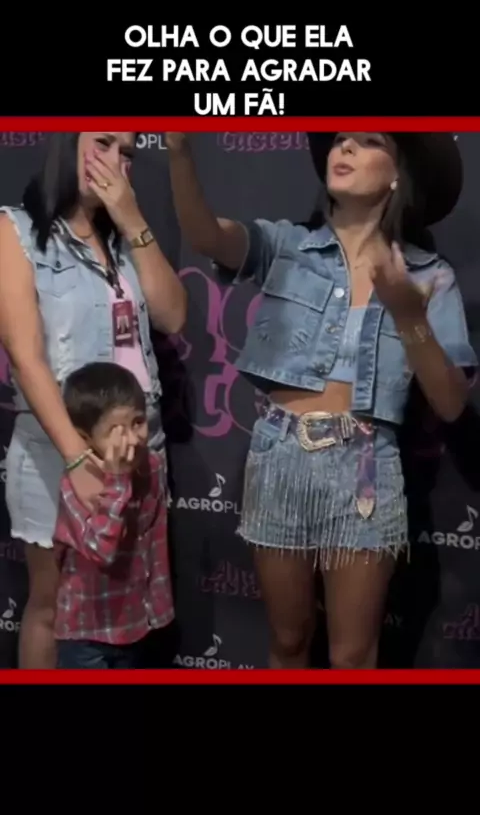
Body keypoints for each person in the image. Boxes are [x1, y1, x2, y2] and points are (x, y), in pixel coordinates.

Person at [166, 130, 477, 669]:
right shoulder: (286, 245)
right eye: (338, 140)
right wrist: (178, 153)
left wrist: (409, 316)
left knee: (352, 655)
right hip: (279, 456)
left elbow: (450, 403)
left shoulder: (430, 275)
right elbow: (207, 236)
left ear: (398, 174)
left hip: (366, 468)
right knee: (288, 640)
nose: (344, 148)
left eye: (367, 141)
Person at [0, 132, 186, 669]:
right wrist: (77, 458)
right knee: (53, 605)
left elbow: (174, 316)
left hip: (138, 452)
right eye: (102, 142)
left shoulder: (126, 241)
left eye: (126, 153)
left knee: (124, 611)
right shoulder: (16, 230)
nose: (115, 161)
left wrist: (133, 221)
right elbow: (24, 355)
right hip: (58, 452)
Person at [54, 362, 174, 669]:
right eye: (115, 432)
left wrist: (157, 608)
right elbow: (102, 551)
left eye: (137, 422)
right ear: (86, 438)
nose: (132, 440)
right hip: (88, 633)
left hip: (137, 625)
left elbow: (152, 542)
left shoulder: (153, 466)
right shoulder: (77, 485)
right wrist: (118, 482)